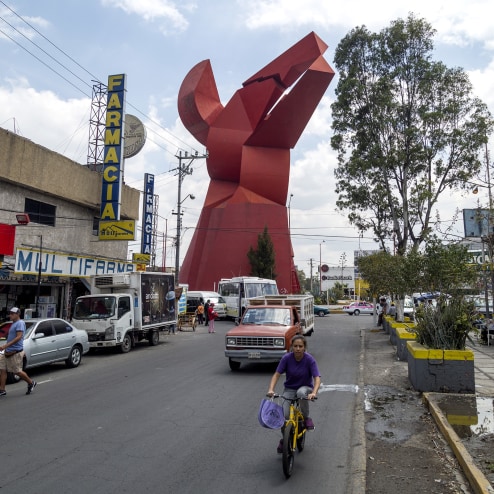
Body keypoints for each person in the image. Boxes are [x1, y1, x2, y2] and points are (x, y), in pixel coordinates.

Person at [267, 334, 321, 453]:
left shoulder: (309, 359)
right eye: (295, 346)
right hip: (289, 390)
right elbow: (276, 375)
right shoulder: (286, 358)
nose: (297, 348)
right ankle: (285, 439)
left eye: (300, 346)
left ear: (304, 347)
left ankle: (306, 418)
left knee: (301, 392)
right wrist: (271, 389)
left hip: (305, 388)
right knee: (284, 418)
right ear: (291, 347)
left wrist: (314, 392)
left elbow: (317, 378)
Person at [0, 307, 37, 396]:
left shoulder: (20, 323)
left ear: (18, 314)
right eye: (10, 313)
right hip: (8, 351)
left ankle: (31, 382)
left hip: (15, 352)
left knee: (17, 372)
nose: (10, 315)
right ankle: (2, 390)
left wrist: (5, 345)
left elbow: (18, 337)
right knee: (2, 369)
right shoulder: (13, 323)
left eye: (13, 314)